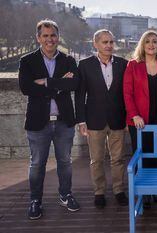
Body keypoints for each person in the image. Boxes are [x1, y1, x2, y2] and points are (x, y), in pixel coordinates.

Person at [18, 19, 80, 220]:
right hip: (38, 122)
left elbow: (74, 85)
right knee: (37, 164)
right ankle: (35, 200)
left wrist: (46, 83)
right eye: (45, 35)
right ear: (38, 38)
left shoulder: (69, 60)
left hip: (64, 121)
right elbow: (26, 88)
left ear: (58, 36)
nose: (49, 39)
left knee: (65, 162)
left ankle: (65, 195)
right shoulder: (27, 61)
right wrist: (59, 85)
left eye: (53, 35)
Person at [75, 29, 128, 209]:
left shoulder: (123, 64)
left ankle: (119, 190)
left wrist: (128, 117)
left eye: (111, 42)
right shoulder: (84, 65)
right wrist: (81, 121)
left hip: (118, 119)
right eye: (105, 42)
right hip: (94, 120)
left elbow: (127, 94)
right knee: (96, 159)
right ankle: (99, 192)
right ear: (95, 44)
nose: (109, 45)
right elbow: (80, 95)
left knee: (118, 159)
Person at [123, 30, 157, 209]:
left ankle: (154, 190)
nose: (151, 45)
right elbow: (127, 93)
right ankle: (142, 191)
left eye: (155, 41)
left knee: (156, 156)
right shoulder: (133, 65)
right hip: (139, 122)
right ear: (142, 45)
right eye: (148, 42)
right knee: (141, 157)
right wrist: (134, 115)